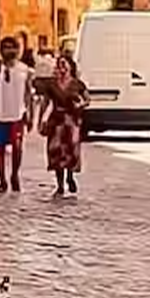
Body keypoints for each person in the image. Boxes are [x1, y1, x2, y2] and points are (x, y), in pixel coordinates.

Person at [0, 36, 33, 193]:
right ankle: (2, 180)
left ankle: (14, 175)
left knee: (17, 147)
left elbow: (28, 93)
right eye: (5, 47)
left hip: (17, 115)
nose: (9, 51)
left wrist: (30, 113)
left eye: (12, 47)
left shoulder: (25, 70)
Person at [40, 55, 88, 197]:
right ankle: (60, 185)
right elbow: (46, 103)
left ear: (70, 67)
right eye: (59, 64)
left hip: (71, 121)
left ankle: (70, 177)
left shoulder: (77, 84)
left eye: (64, 64)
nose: (61, 67)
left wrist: (80, 105)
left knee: (70, 151)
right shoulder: (52, 85)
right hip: (56, 121)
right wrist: (43, 119)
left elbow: (87, 99)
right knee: (56, 152)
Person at [32, 46, 56, 129]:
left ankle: (38, 121)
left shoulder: (38, 59)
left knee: (39, 102)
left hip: (39, 82)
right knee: (48, 102)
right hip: (49, 82)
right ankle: (44, 120)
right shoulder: (53, 60)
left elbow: (34, 54)